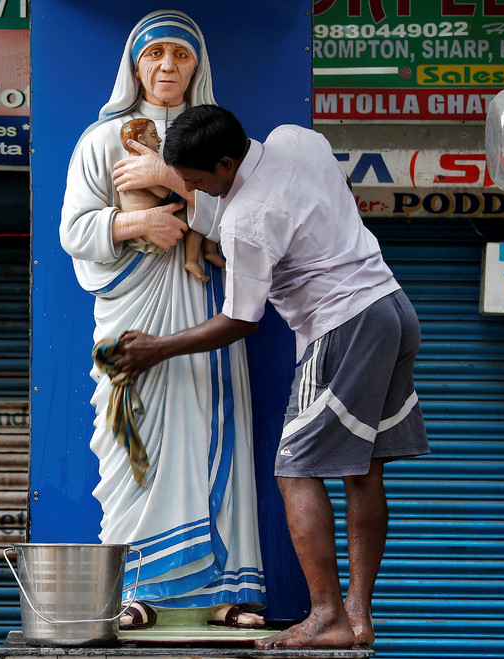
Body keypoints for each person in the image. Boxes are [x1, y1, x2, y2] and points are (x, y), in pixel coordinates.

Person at [114, 105, 430, 649]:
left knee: (294, 469)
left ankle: (327, 614)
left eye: (193, 182)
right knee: (365, 469)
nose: (189, 190)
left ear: (226, 162)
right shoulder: (296, 139)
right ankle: (356, 618)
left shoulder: (247, 222)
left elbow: (240, 319)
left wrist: (157, 349)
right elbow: (299, 212)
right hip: (393, 309)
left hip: (342, 325)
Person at [59, 11, 266, 631]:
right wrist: (136, 222)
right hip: (131, 310)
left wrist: (165, 177)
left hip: (204, 314)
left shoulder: (219, 137)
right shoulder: (101, 141)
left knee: (212, 435)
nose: (167, 67)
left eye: (180, 55)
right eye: (155, 56)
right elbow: (73, 231)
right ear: (134, 66)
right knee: (134, 440)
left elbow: (249, 220)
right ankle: (136, 587)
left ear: (197, 64)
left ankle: (223, 595)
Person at [118, 117, 225, 282]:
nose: (159, 139)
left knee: (202, 206)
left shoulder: (128, 162)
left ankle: (209, 251)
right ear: (141, 140)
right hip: (148, 231)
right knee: (197, 211)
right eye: (154, 135)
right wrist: (167, 177)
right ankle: (193, 259)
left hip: (154, 218)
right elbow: (162, 193)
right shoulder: (138, 166)